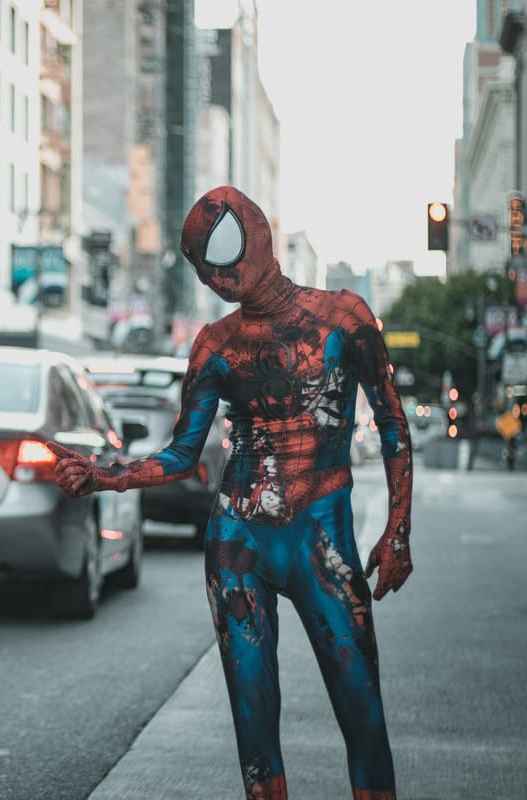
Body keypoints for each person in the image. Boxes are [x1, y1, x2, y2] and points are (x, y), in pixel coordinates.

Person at [48, 185, 413, 800]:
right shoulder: (215, 344)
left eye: (222, 245)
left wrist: (397, 528)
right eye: (201, 262)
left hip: (321, 537)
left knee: (363, 713)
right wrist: (106, 474)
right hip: (236, 542)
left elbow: (395, 422)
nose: (219, 272)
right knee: (253, 723)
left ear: (258, 229)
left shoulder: (344, 316)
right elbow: (182, 453)